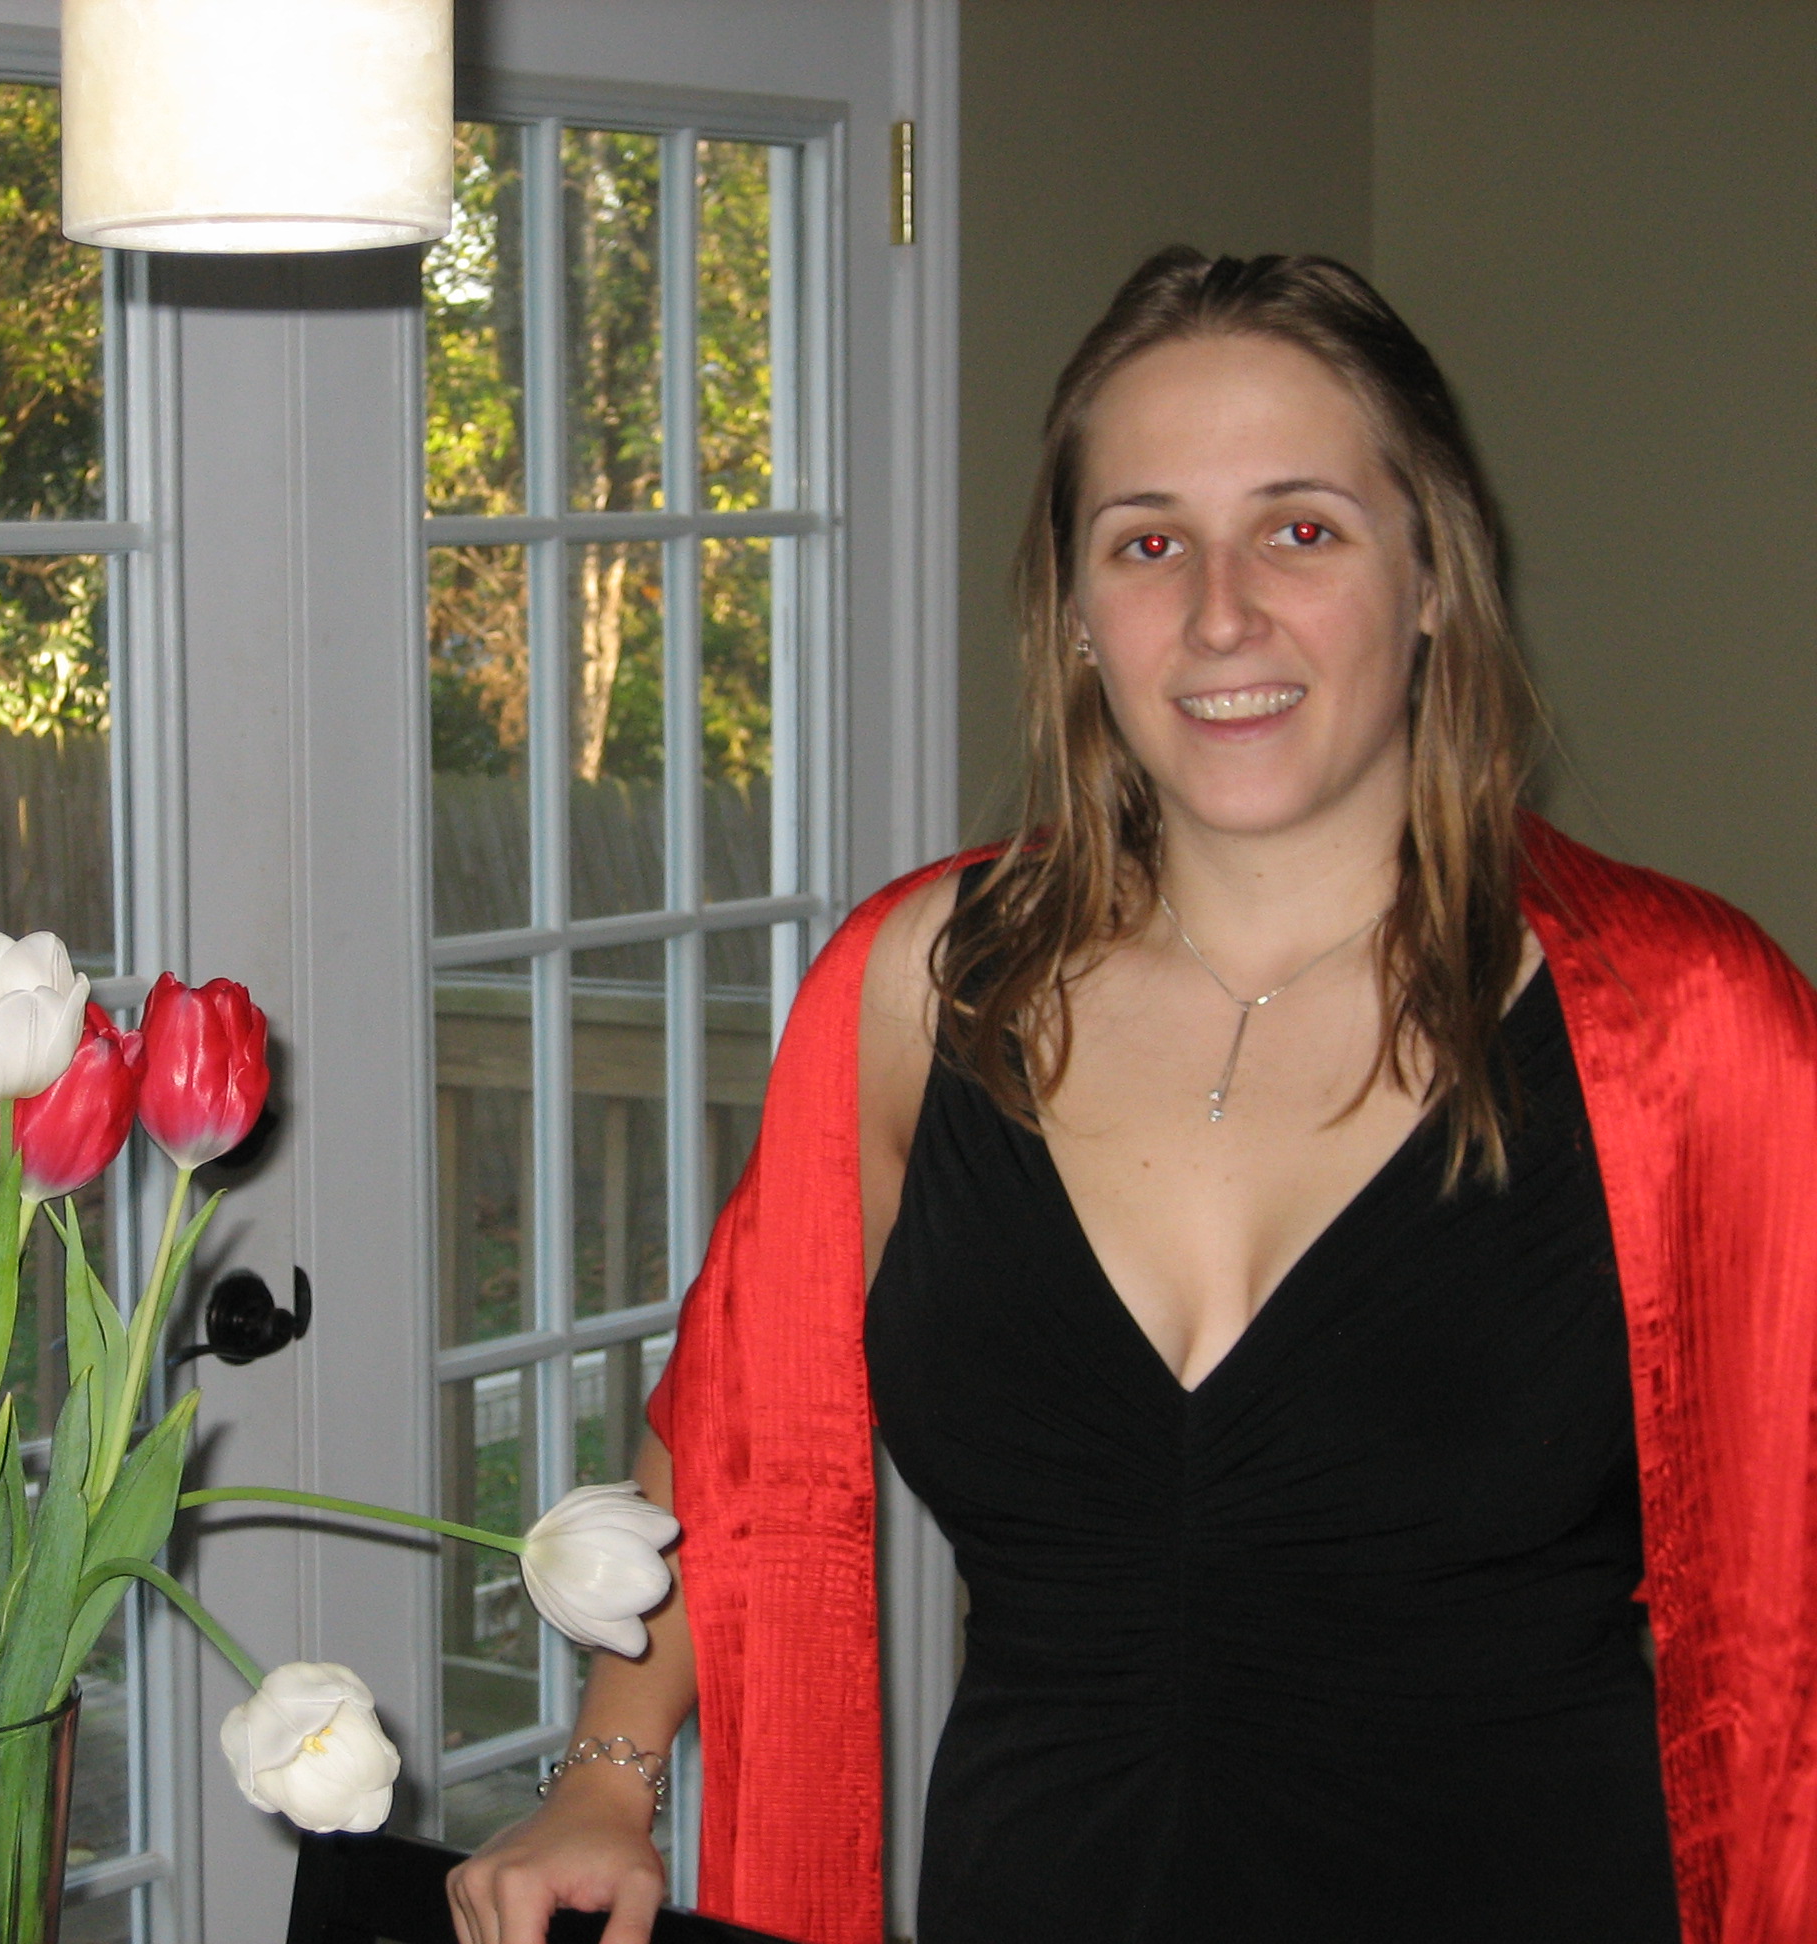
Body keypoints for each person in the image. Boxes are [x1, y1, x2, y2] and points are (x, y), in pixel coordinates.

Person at [447, 249, 1817, 1944]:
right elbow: (728, 1424)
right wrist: (606, 1776)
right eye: (1150, 543)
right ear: (1079, 614)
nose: (1223, 614)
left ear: (1434, 576)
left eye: (1302, 529)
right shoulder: (918, 988)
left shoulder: (1688, 1023)